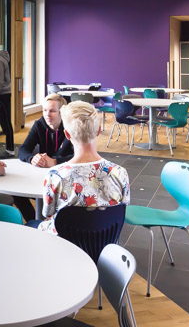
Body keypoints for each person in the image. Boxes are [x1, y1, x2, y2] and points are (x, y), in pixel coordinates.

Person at [37, 100, 130, 233]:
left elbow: (48, 213)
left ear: (67, 134)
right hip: (104, 241)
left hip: (64, 244)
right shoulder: (120, 173)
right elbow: (123, 208)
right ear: (98, 131)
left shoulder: (55, 175)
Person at [19, 93, 74, 167]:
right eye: (45, 110)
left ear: (61, 112)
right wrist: (32, 159)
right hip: (43, 169)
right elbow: (23, 149)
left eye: (52, 111)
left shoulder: (71, 127)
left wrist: (55, 161)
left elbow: (80, 156)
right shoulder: (39, 125)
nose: (47, 114)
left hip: (67, 168)